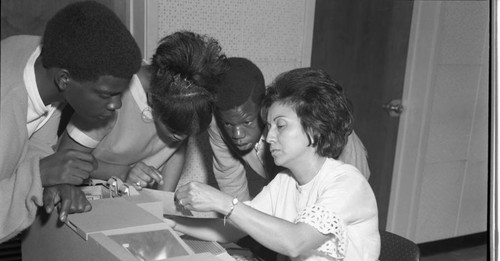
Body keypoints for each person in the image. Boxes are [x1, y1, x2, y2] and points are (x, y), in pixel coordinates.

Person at [168, 67, 407, 261]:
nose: (269, 137)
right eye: (269, 127)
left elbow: (295, 241)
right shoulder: (285, 181)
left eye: (281, 126)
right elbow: (233, 231)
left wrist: (223, 202)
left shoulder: (347, 183)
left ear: (315, 129)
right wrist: (173, 224)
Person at [0, 0, 142, 244]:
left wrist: (52, 182)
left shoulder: (42, 61)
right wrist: (40, 174)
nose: (116, 105)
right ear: (64, 80)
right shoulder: (6, 97)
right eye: (106, 94)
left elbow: (28, 143)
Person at [57, 31, 229, 192]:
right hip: (76, 193)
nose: (182, 137)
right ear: (153, 98)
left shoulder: (184, 91)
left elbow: (175, 149)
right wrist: (124, 173)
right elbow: (66, 159)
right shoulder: (113, 93)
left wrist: (164, 207)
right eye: (175, 130)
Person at [209, 57, 370, 202]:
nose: (237, 134)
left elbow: (350, 198)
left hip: (342, 159)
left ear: (263, 107)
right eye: (228, 124)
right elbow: (230, 180)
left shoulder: (313, 130)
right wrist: (240, 224)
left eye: (247, 122)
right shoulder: (219, 123)